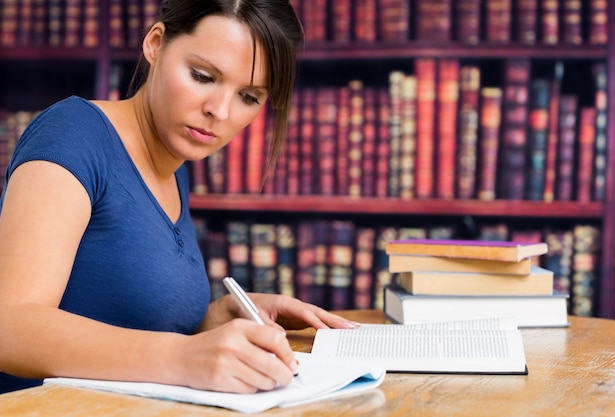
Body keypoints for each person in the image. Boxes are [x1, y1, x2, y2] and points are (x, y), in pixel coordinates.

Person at [0, 0, 358, 394]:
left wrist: (213, 322)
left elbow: (113, 313)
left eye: (250, 97)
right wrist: (185, 357)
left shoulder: (174, 170)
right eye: (202, 76)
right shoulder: (73, 134)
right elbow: (9, 326)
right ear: (155, 43)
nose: (219, 111)